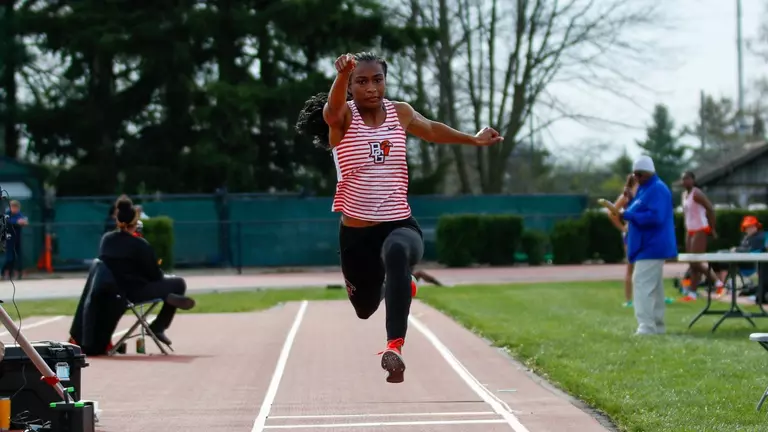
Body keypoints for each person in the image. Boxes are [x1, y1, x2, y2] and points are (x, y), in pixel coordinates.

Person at [295, 52, 502, 383]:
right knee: (364, 309)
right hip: (356, 235)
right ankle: (401, 283)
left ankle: (394, 346)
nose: (372, 88)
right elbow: (331, 111)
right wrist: (341, 75)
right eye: (361, 82)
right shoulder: (343, 120)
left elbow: (432, 130)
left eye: (377, 79)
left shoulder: (400, 112)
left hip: (399, 223)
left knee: (396, 253)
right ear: (349, 88)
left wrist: (473, 139)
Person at [98, 196, 196, 345]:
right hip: (136, 292)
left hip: (113, 292)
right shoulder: (140, 244)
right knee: (178, 283)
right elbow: (155, 275)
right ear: (135, 222)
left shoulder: (106, 240)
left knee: (167, 286)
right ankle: (159, 325)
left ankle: (168, 296)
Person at [617, 156, 677, 335]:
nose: (636, 178)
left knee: (641, 282)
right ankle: (657, 325)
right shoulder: (645, 189)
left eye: (639, 174)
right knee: (655, 287)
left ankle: (646, 327)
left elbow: (656, 217)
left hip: (652, 245)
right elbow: (639, 210)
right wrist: (627, 210)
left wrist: (630, 216)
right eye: (634, 175)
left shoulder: (657, 189)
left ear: (649, 173)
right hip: (646, 245)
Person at [679, 171, 724, 301]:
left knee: (696, 262)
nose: (685, 181)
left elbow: (710, 208)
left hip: (700, 228)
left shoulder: (696, 193)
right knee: (692, 263)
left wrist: (712, 228)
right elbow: (686, 213)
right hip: (690, 230)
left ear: (693, 180)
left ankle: (717, 281)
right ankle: (692, 293)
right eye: (683, 179)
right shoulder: (684, 195)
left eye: (687, 179)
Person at [2, 200, 28, 280]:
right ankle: (6, 272)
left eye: (16, 208)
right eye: (13, 207)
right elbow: (7, 222)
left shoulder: (18, 214)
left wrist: (23, 222)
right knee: (10, 257)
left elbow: (24, 220)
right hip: (9, 239)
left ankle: (18, 273)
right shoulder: (7, 214)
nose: (15, 209)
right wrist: (17, 222)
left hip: (17, 238)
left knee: (19, 256)